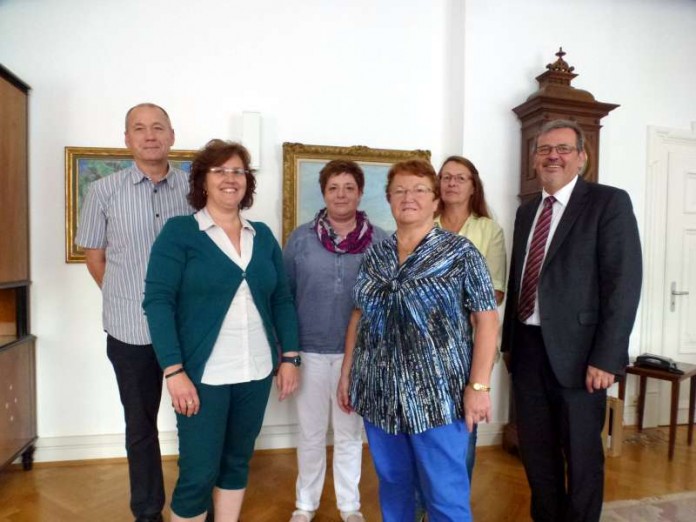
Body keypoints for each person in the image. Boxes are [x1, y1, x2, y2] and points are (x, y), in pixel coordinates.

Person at [142, 139, 300, 522]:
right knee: (198, 472)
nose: (230, 178)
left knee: (236, 461)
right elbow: (158, 303)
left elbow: (281, 298)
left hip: (256, 370)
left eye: (238, 171)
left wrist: (290, 356)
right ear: (202, 181)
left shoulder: (261, 235)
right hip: (202, 376)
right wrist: (174, 371)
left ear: (247, 181)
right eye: (220, 171)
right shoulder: (181, 233)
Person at [338, 158, 499, 521]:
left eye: (419, 190)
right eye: (399, 190)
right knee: (394, 484)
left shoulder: (460, 253)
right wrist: (348, 372)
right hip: (379, 393)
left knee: (445, 493)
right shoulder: (375, 255)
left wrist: (479, 386)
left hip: (438, 397)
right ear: (389, 199)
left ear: (435, 200)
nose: (408, 197)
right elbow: (357, 315)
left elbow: (487, 321)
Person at [501, 120, 642, 522]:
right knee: (537, 454)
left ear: (582, 156)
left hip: (582, 357)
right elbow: (519, 279)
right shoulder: (527, 211)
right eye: (544, 149)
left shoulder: (608, 203)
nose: (553, 156)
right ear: (534, 159)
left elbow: (623, 284)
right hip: (528, 350)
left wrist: (608, 356)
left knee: (581, 458)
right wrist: (510, 343)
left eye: (563, 148)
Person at [76, 102, 191, 522]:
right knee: (140, 427)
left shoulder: (194, 191)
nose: (149, 136)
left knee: (193, 423)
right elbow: (95, 258)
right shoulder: (103, 192)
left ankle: (192, 505)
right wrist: (125, 297)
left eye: (158, 127)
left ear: (172, 136)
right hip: (129, 330)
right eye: (139, 129)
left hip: (186, 327)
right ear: (126, 139)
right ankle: (147, 511)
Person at [283, 160, 388, 522]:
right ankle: (305, 504)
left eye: (348, 187)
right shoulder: (301, 239)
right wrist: (288, 354)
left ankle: (349, 506)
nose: (341, 194)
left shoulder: (382, 240)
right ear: (324, 192)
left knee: (348, 434)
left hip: (357, 357)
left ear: (360, 193)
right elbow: (284, 296)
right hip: (309, 352)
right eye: (333, 187)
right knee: (311, 434)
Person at [435, 155, 506, 482]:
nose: (451, 183)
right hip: (427, 344)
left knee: (465, 422)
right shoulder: (424, 223)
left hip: (473, 344)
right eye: (446, 177)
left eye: (460, 178)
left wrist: (441, 301)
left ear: (473, 185)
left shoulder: (488, 229)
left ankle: (453, 505)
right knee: (427, 427)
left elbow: (495, 293)